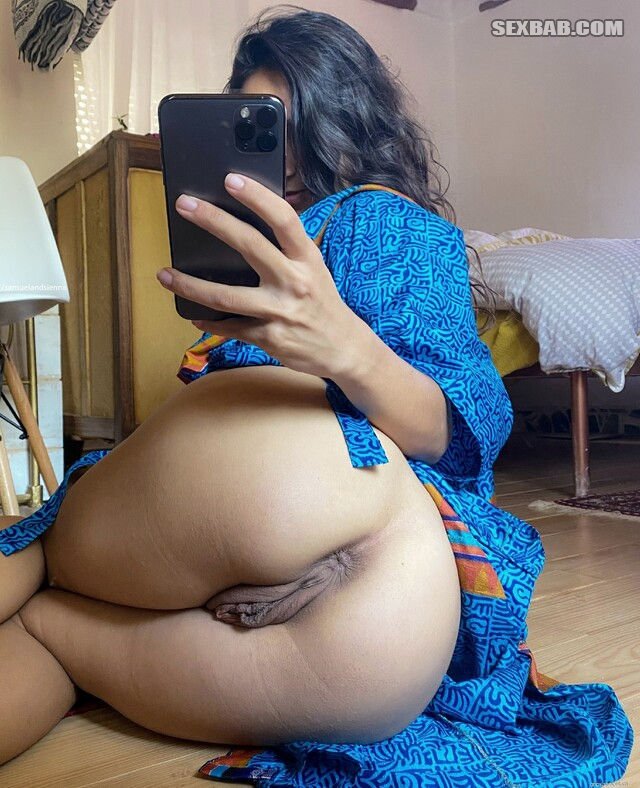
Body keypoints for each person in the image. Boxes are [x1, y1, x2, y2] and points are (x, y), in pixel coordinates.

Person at [0, 6, 632, 785]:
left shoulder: (376, 215)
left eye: (294, 121)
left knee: (41, 547)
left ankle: (45, 577)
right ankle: (55, 621)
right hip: (389, 634)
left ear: (348, 119)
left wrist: (346, 348)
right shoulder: (379, 234)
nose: (285, 154)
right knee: (54, 638)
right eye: (259, 128)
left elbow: (458, 424)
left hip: (298, 492)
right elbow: (462, 437)